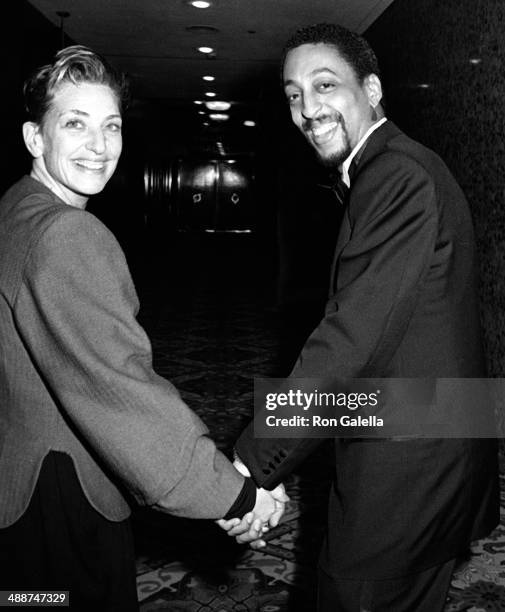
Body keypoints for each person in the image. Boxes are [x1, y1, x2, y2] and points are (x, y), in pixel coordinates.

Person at [219, 24, 499, 611]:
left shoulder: (394, 175)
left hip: (409, 467)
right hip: (431, 426)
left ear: (371, 88)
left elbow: (349, 341)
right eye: (293, 94)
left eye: (324, 85)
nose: (307, 108)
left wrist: (252, 460)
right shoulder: (394, 166)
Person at [0, 46, 287, 611]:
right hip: (61, 503)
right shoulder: (66, 235)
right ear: (35, 137)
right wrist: (233, 495)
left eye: (111, 126)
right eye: (75, 124)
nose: (99, 146)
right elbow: (121, 391)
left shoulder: (14, 207)